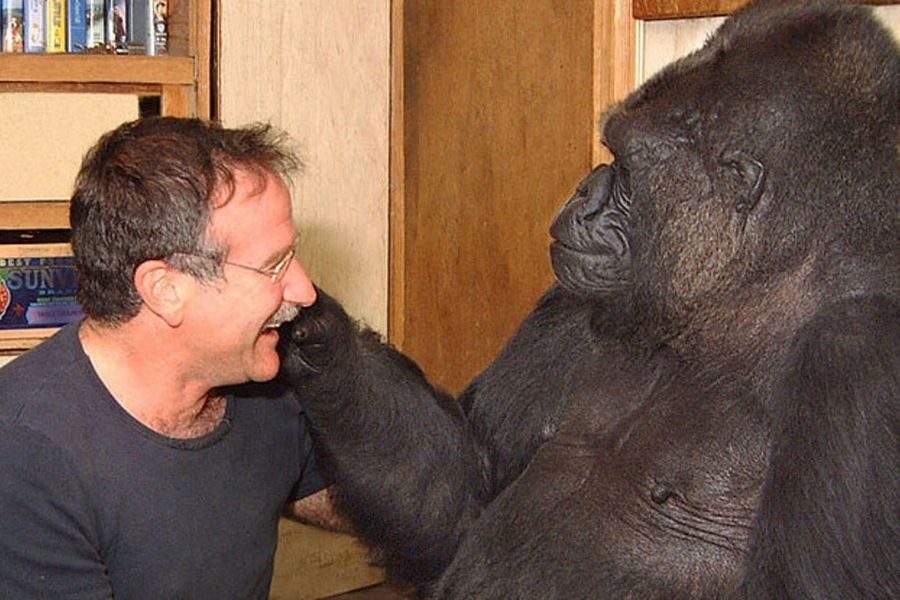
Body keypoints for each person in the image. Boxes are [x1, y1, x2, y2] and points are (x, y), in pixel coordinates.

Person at [0, 117, 340, 598]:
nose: (304, 291)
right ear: (165, 290)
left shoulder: (263, 383)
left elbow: (355, 499)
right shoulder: (25, 453)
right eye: (273, 266)